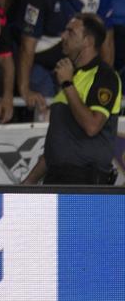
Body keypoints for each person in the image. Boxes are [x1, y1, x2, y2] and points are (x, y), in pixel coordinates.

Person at [24, 14, 122, 185]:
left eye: (70, 32)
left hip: (86, 183)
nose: (63, 36)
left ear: (87, 41)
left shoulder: (104, 76)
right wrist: (28, 183)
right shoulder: (70, 76)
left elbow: (92, 126)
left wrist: (68, 84)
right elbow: (56, 146)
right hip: (56, 178)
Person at [16, 0, 113, 112]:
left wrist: (104, 83)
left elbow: (107, 43)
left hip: (74, 61)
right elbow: (27, 45)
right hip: (37, 59)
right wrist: (24, 89)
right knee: (45, 105)